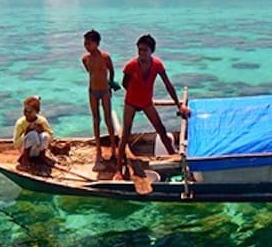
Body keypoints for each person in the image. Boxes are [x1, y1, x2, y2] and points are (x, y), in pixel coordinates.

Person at [114, 34, 190, 180]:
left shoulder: (157, 65)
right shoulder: (130, 66)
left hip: (147, 102)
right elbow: (125, 84)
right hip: (131, 102)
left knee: (161, 129)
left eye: (145, 50)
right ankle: (118, 169)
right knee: (125, 135)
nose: (141, 53)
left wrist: (179, 105)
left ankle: (173, 158)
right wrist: (136, 95)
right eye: (139, 49)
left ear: (152, 50)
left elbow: (168, 85)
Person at [81, 29, 119, 167]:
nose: (86, 46)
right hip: (92, 91)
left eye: (89, 43)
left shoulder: (105, 57)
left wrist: (111, 83)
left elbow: (111, 70)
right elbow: (90, 72)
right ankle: (98, 149)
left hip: (104, 91)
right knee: (96, 119)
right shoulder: (85, 59)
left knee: (108, 119)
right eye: (85, 43)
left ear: (97, 43)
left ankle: (114, 147)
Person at [13, 95, 55, 170]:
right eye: (25, 111)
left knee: (45, 135)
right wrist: (26, 132)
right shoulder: (20, 123)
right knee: (32, 134)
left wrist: (42, 130)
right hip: (25, 150)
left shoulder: (42, 121)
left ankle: (42, 157)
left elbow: (51, 137)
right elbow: (16, 144)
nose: (27, 114)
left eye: (30, 112)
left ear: (37, 112)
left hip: (37, 150)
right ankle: (25, 160)